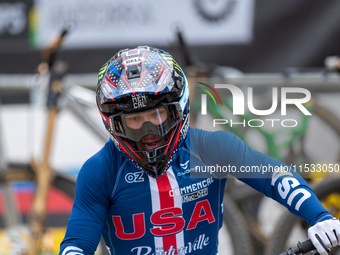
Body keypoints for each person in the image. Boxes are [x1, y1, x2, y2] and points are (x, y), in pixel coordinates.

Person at [59, 45, 340, 255]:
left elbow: (276, 176)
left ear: (177, 110)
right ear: (114, 123)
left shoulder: (212, 147)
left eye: (156, 115)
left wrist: (319, 216)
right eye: (134, 120)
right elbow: (77, 243)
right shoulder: (100, 171)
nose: (148, 133)